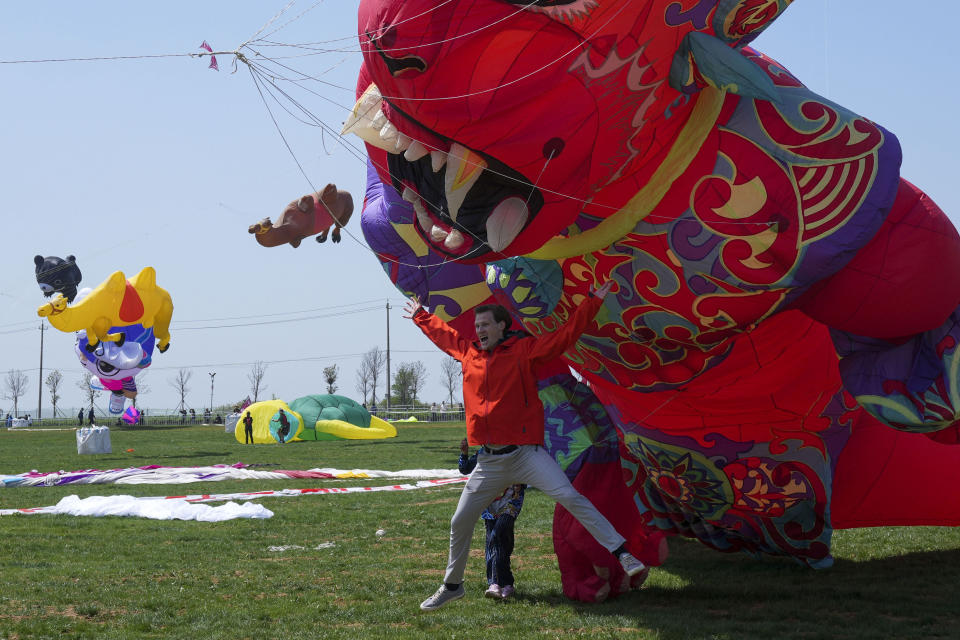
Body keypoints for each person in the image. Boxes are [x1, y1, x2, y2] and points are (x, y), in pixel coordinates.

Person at [406, 281, 645, 612]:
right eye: (477, 326)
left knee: (570, 496)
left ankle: (623, 554)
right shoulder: (468, 353)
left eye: (485, 324)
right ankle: (452, 585)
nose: (480, 330)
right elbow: (442, 334)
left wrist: (592, 302)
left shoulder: (524, 351)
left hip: (525, 455)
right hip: (489, 462)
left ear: (502, 326)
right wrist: (421, 315)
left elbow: (564, 336)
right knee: (460, 521)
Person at [458, 438, 524, 600]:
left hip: (510, 506)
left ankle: (495, 583)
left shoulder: (520, 452)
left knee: (496, 537)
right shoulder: (484, 453)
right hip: (490, 507)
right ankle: (504, 584)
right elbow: (465, 468)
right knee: (497, 543)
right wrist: (464, 453)